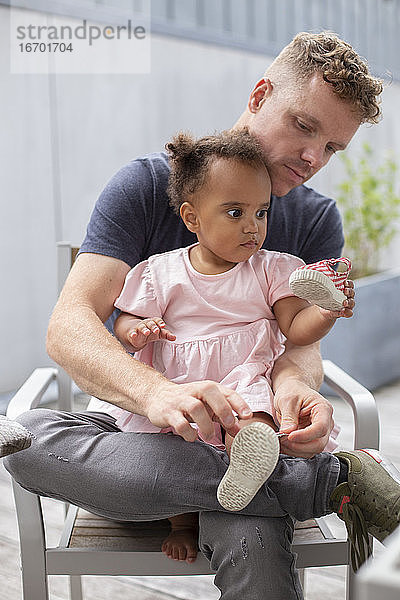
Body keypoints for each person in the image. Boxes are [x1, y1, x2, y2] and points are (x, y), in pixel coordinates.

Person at [4, 32, 395, 598]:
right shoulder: (145, 186)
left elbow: (298, 348)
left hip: (245, 437)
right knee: (30, 439)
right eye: (305, 127)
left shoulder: (313, 221)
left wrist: (293, 390)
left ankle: (277, 479)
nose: (315, 158)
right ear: (260, 94)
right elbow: (69, 326)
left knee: (256, 537)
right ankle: (330, 483)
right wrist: (157, 394)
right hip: (139, 443)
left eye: (333, 147)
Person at [110, 128, 355, 562]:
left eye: (262, 212)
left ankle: (252, 458)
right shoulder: (161, 272)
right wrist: (138, 330)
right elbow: (124, 321)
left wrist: (326, 311)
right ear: (192, 219)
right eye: (235, 212)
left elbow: (296, 330)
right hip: (184, 384)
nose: (253, 227)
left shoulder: (269, 270)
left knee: (256, 414)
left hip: (244, 376)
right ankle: (184, 521)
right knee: (175, 444)